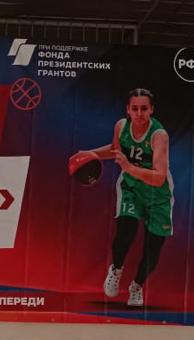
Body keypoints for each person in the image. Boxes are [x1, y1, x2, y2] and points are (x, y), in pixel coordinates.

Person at [71, 88, 173, 307]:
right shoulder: (121, 126)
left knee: (152, 250)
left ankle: (137, 286)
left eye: (144, 109)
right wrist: (91, 154)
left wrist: (129, 167)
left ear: (152, 110)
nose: (139, 113)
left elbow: (159, 178)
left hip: (157, 194)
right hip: (131, 188)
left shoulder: (159, 136)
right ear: (128, 109)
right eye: (135, 108)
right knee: (126, 230)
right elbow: (115, 151)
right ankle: (116, 269)